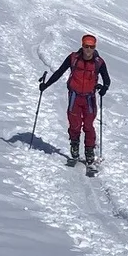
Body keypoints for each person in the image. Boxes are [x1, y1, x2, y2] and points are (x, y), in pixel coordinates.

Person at [40, 35, 111, 166]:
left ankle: (89, 151)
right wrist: (46, 85)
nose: (88, 49)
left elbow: (107, 80)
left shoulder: (98, 62)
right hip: (74, 96)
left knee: (88, 125)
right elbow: (59, 72)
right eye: (86, 46)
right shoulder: (73, 58)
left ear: (95, 47)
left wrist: (103, 88)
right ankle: (74, 146)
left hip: (89, 98)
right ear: (82, 46)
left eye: (91, 47)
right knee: (74, 124)